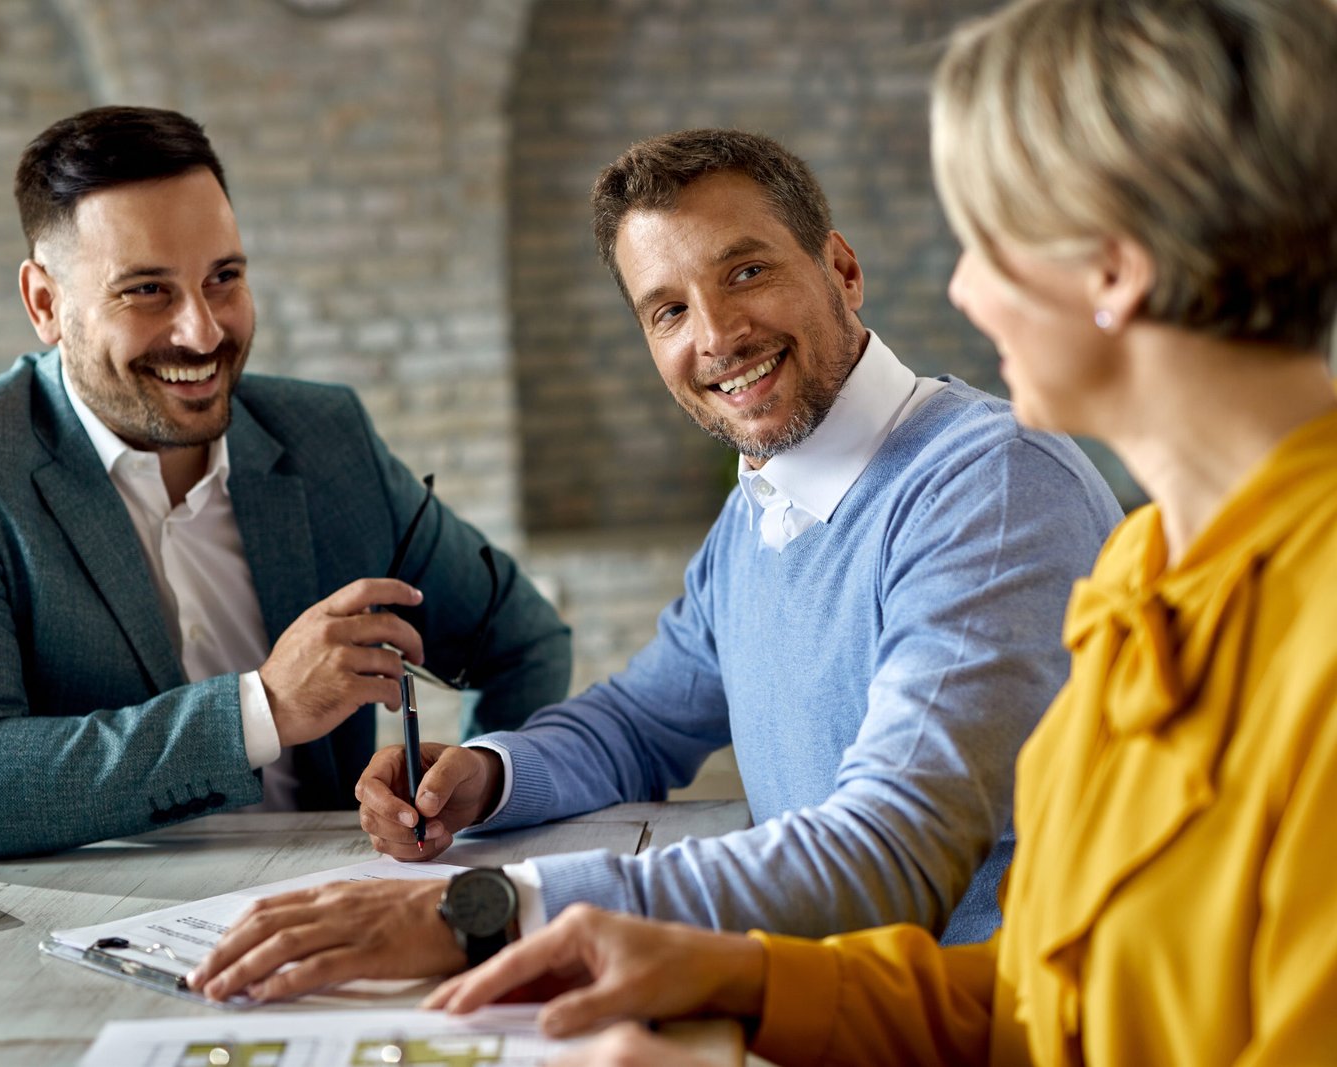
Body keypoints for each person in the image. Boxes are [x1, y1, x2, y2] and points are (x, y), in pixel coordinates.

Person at [423, 0, 1337, 1063]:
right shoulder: (1149, 567)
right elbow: (1057, 998)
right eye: (667, 309)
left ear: (1111, 267)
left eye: (985, 238)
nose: (959, 286)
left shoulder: (1261, 603)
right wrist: (747, 978)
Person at [183, 128, 1123, 1003]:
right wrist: (484, 773)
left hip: (1000, 1025)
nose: (716, 337)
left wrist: (489, 912)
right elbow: (640, 723)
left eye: (746, 271)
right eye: (669, 309)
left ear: (841, 268)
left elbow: (886, 853)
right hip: (834, 1009)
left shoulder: (988, 487)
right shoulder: (766, 500)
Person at [0, 106, 571, 865]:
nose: (202, 332)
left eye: (223, 278)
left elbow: (521, 641)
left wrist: (479, 792)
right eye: (147, 291)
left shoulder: (328, 439)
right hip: (81, 937)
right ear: (45, 303)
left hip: (341, 912)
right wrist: (261, 710)